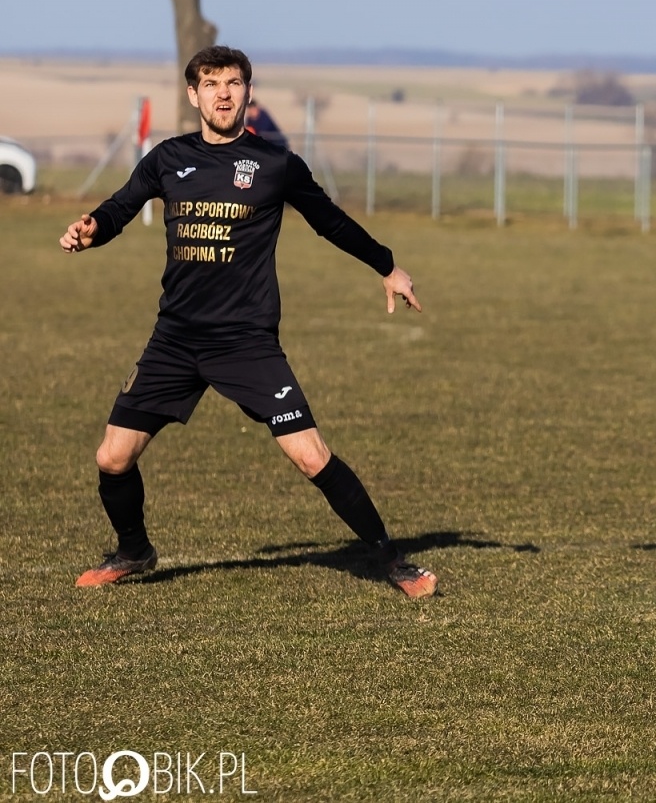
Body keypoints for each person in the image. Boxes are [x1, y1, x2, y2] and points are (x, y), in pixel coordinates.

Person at [59, 46, 438, 598]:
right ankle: (134, 551)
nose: (223, 93)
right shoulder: (167, 158)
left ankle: (395, 562)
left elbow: (329, 221)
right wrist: (91, 228)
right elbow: (120, 208)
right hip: (175, 338)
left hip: (245, 342)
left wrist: (387, 265)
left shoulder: (274, 165)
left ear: (248, 92)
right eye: (211, 84)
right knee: (112, 457)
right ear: (193, 95)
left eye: (233, 83)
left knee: (311, 456)